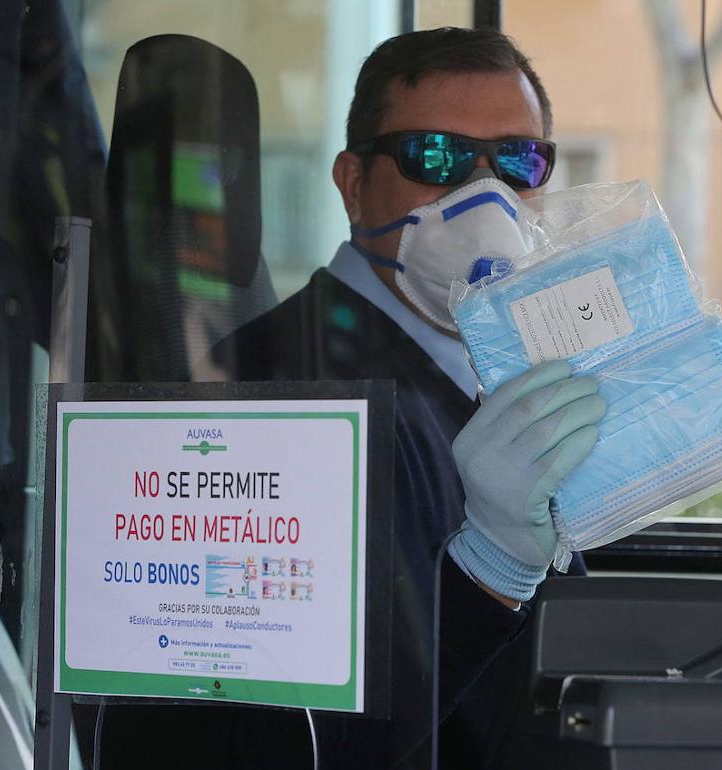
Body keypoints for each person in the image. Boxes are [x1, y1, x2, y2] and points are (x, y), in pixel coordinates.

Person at [101, 27, 605, 769]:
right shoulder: (280, 393)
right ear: (353, 183)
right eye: (437, 157)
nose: (484, 194)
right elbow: (307, 734)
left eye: (518, 162)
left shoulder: (500, 366)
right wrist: (489, 571)